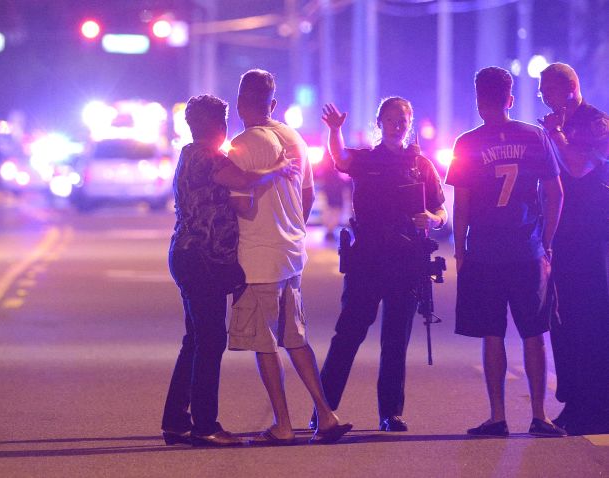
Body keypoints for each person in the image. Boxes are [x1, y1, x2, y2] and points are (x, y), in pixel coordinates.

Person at [162, 94, 297, 447]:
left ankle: (176, 420)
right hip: (203, 261)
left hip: (187, 256)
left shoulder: (187, 154)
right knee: (209, 341)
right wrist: (278, 169)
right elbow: (246, 180)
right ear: (219, 127)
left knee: (194, 340)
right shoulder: (209, 158)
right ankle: (205, 426)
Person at [226, 69, 352, 446]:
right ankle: (326, 415)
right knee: (296, 338)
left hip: (257, 256)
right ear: (274, 104)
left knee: (265, 343)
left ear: (239, 103)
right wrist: (291, 223)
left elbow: (241, 206)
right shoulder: (295, 139)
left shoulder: (242, 143)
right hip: (291, 253)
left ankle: (282, 424)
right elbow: (308, 196)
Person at [314, 96, 448, 433]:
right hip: (368, 260)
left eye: (403, 118)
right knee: (348, 334)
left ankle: (391, 413)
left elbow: (441, 212)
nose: (397, 123)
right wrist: (334, 131)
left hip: (406, 262)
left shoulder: (422, 165)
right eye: (390, 118)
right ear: (380, 122)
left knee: (394, 341)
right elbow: (340, 159)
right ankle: (323, 409)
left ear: (410, 122)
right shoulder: (366, 159)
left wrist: (430, 219)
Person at [447, 66, 566, 437]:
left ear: (480, 102)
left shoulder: (466, 143)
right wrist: (546, 242)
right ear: (510, 99)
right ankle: (539, 416)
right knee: (534, 332)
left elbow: (461, 202)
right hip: (527, 249)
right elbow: (556, 193)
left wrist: (460, 248)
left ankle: (497, 416)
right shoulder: (534, 136)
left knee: (492, 333)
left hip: (484, 250)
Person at [538, 62, 609, 435]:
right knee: (561, 320)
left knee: (591, 321)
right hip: (562, 235)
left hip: (592, 236)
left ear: (569, 87)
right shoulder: (554, 127)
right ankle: (573, 399)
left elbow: (580, 168)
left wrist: (559, 138)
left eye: (548, 91)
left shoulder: (595, 123)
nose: (545, 99)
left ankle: (597, 404)